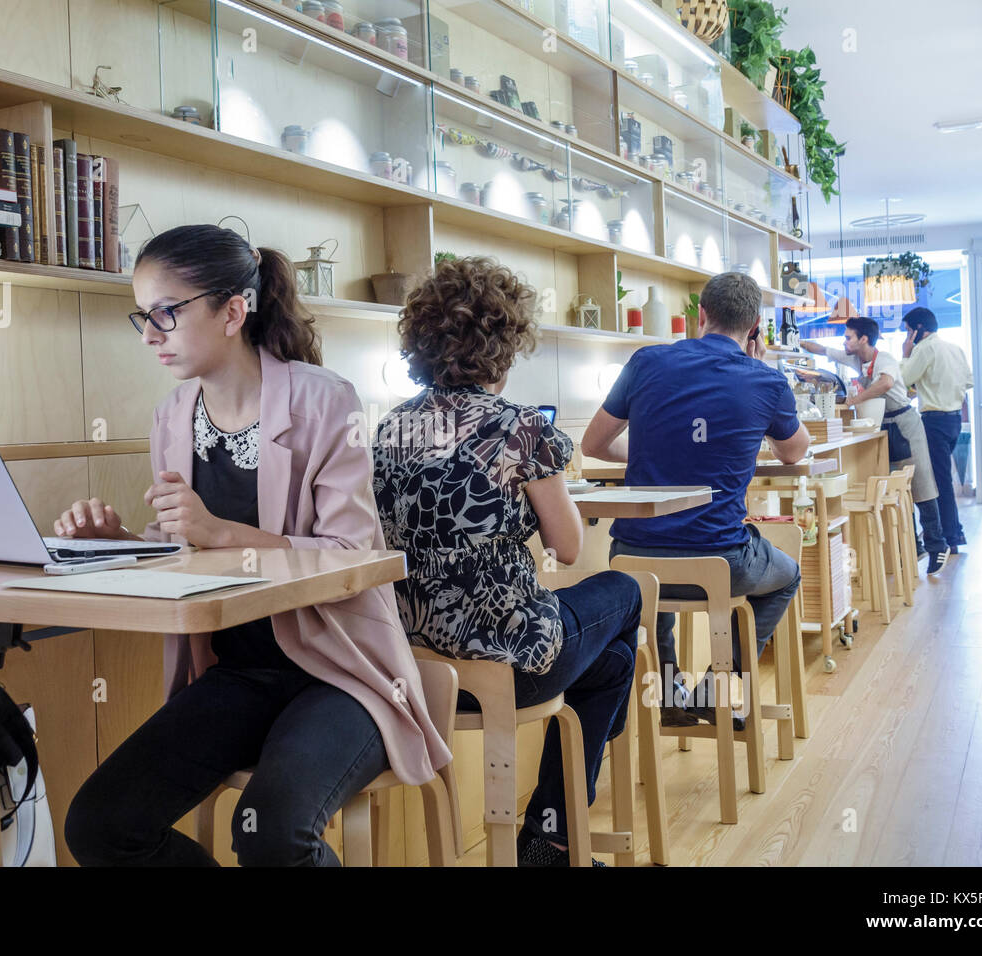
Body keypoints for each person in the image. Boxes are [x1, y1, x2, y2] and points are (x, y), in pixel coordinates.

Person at [56, 224, 452, 866]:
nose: (150, 334)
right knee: (101, 824)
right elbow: (182, 551)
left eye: (166, 313)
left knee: (268, 832)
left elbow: (355, 555)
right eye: (143, 316)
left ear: (232, 311)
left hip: (340, 673)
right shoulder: (172, 415)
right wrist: (118, 544)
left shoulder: (326, 400)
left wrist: (223, 533)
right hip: (237, 674)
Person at [372, 255, 641, 867]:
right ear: (505, 343)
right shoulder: (520, 429)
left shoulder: (389, 428)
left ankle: (552, 834)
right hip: (509, 659)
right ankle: (551, 836)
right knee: (624, 592)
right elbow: (568, 548)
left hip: (410, 664)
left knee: (613, 661)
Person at [582, 272, 807, 729]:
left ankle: (669, 695)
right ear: (755, 327)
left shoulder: (646, 362)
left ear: (699, 316)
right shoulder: (766, 379)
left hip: (630, 558)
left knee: (654, 588)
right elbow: (794, 451)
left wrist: (655, 454)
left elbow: (593, 445)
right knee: (787, 575)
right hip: (722, 562)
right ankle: (710, 690)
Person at [801, 316, 950, 574]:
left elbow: (886, 383)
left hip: (904, 422)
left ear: (864, 339)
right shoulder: (855, 358)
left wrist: (854, 400)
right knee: (897, 486)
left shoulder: (885, 359)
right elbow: (825, 351)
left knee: (921, 485)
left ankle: (938, 546)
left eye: (848, 337)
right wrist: (798, 345)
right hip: (883, 425)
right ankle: (915, 547)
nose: (844, 341)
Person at [900, 307, 973, 554]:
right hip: (953, 420)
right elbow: (969, 381)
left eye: (908, 331)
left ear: (919, 329)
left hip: (934, 422)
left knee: (938, 482)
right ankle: (952, 532)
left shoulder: (924, 348)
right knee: (943, 478)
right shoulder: (955, 348)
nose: (907, 336)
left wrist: (906, 354)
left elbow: (903, 378)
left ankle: (950, 537)